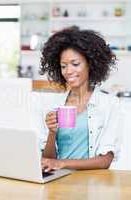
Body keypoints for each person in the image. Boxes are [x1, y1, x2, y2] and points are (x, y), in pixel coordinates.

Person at [40, 26, 120, 172]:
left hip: (91, 184)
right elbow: (48, 160)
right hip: (58, 181)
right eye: (63, 66)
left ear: (90, 63)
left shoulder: (109, 104)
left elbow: (105, 160)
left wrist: (62, 163)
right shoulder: (53, 105)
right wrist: (52, 132)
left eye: (75, 64)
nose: (68, 71)